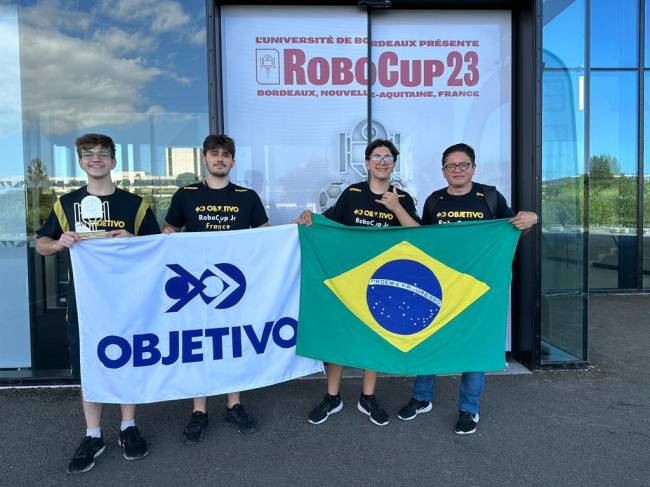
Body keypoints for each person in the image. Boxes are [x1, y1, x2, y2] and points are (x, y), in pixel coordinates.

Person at [36, 133, 160, 474]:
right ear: (80, 162)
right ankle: (93, 435)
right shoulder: (66, 204)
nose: (96, 159)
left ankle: (128, 427)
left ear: (113, 161)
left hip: (128, 300)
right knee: (90, 365)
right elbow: (41, 245)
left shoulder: (136, 205)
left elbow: (158, 249)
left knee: (128, 359)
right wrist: (59, 242)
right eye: (89, 154)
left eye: (103, 153)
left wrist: (134, 240)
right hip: (85, 303)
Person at [396, 142, 538, 435]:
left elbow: (514, 227)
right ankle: (422, 399)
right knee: (430, 338)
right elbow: (425, 240)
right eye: (451, 166)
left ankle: (468, 409)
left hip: (480, 288)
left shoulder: (490, 197)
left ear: (473, 168)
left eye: (463, 165)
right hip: (441, 285)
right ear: (443, 171)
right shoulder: (435, 200)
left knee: (475, 345)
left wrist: (532, 220)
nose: (457, 170)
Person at [295, 139, 419, 426]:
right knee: (338, 336)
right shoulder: (352, 194)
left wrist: (396, 208)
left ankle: (368, 397)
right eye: (376, 156)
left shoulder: (404, 197)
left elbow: (418, 235)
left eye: (388, 157)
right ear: (366, 163)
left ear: (393, 164)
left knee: (373, 335)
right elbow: (328, 224)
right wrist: (308, 218)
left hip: (383, 282)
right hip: (347, 280)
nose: (382, 161)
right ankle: (332, 397)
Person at [163, 134, 268, 443]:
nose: (220, 158)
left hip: (235, 286)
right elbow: (169, 229)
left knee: (233, 342)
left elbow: (264, 239)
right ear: (205, 159)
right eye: (214, 154)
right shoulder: (186, 194)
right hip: (196, 288)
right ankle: (199, 410)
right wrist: (166, 234)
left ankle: (234, 404)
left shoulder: (247, 197)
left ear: (233, 161)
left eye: (225, 154)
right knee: (200, 344)